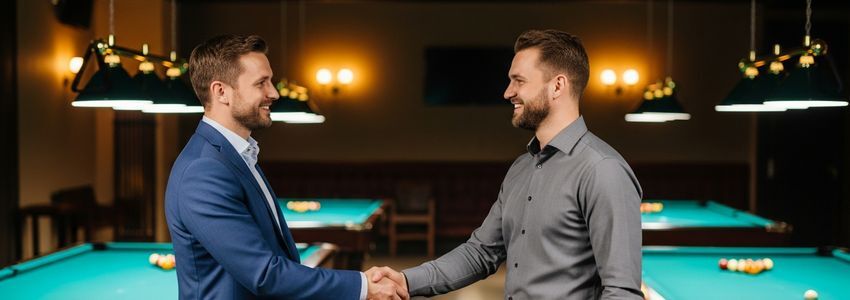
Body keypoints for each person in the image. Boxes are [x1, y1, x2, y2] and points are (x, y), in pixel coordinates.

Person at [368, 29, 644, 299]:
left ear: (558, 86)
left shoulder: (603, 170)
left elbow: (621, 292)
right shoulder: (521, 168)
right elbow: (481, 252)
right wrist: (406, 281)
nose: (507, 92)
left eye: (519, 81)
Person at [165, 34, 407, 300]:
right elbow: (264, 274)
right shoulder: (203, 170)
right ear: (221, 91)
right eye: (261, 83)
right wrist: (363, 286)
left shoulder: (236, 154)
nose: (274, 93)